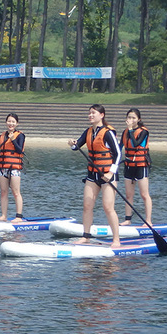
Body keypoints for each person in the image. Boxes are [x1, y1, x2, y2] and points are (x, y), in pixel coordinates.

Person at [68, 104, 122, 248]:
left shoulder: (108, 133)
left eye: (93, 113)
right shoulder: (88, 131)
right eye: (89, 113)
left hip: (107, 175)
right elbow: (76, 147)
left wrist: (111, 172)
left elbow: (118, 153)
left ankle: (116, 240)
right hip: (92, 174)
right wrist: (72, 143)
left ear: (101, 115)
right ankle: (86, 237)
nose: (90, 115)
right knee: (87, 205)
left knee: (108, 207)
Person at [121, 108, 152, 226]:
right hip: (129, 165)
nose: (131, 120)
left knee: (144, 194)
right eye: (129, 117)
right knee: (129, 195)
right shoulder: (125, 132)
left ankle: (148, 220)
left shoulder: (144, 132)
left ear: (138, 119)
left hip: (141, 165)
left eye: (133, 118)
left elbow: (135, 144)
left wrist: (130, 130)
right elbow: (119, 147)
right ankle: (127, 219)